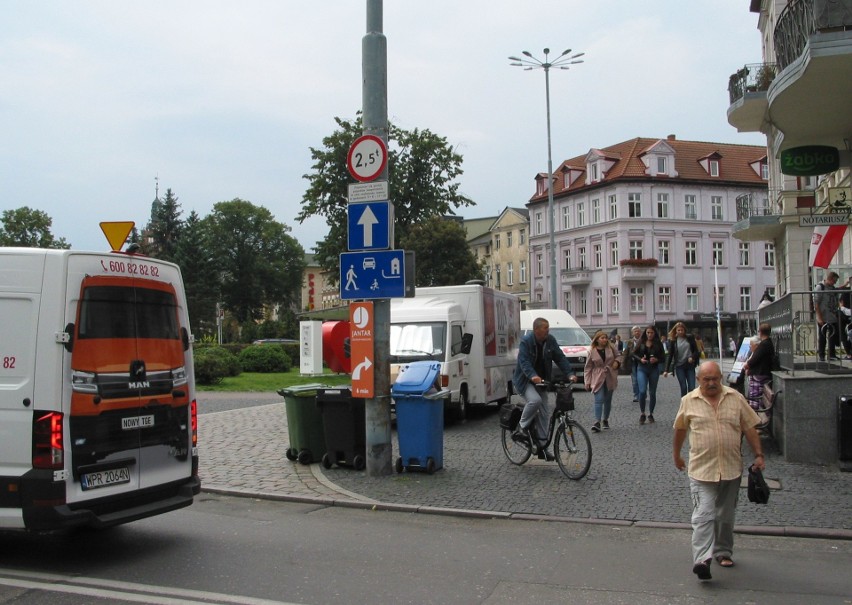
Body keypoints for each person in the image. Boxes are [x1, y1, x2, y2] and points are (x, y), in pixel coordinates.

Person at [672, 362, 766, 581]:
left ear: (721, 377)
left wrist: (759, 454)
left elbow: (749, 427)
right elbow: (680, 430)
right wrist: (676, 455)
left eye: (715, 378)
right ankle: (702, 559)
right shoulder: (688, 401)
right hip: (701, 469)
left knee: (725, 514)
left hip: (731, 468)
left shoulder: (735, 398)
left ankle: (723, 551)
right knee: (704, 514)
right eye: (707, 380)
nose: (712, 383)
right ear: (698, 380)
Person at [513, 317, 578, 460]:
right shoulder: (526, 342)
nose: (548, 331)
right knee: (534, 400)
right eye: (545, 328)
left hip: (543, 381)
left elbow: (560, 358)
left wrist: (569, 373)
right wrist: (533, 376)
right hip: (525, 381)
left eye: (548, 328)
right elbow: (523, 362)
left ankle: (542, 448)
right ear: (536, 330)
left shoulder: (550, 341)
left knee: (544, 414)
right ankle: (521, 427)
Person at [583, 331, 622, 433]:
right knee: (599, 399)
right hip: (597, 376)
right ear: (597, 339)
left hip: (609, 375)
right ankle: (597, 422)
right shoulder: (592, 351)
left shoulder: (611, 348)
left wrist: (616, 362)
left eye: (605, 338)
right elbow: (588, 367)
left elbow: (619, 356)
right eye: (602, 338)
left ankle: (605, 419)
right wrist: (587, 381)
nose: (604, 340)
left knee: (607, 399)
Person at [632, 325, 665, 424]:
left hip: (654, 369)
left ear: (654, 333)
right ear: (645, 333)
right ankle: (642, 413)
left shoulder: (658, 343)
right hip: (642, 368)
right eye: (648, 333)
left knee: (652, 392)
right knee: (642, 391)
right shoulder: (641, 342)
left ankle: (651, 413)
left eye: (651, 333)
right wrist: (640, 359)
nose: (649, 334)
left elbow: (663, 357)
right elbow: (633, 353)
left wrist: (657, 359)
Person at [813, 271, 846, 361]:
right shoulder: (820, 287)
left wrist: (845, 285)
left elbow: (837, 291)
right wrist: (819, 317)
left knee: (833, 335)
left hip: (832, 315)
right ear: (830, 279)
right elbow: (816, 303)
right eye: (834, 280)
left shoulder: (832, 287)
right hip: (823, 316)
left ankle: (832, 354)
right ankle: (822, 355)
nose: (835, 283)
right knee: (822, 336)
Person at [743, 322, 775, 408]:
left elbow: (753, 361)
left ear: (760, 332)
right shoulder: (768, 343)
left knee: (754, 401)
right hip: (762, 376)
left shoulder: (764, 345)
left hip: (759, 377)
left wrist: (747, 366)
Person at [664, 322, 700, 397]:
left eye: (682, 330)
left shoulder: (690, 338)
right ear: (676, 331)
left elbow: (696, 351)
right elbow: (670, 355)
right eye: (678, 330)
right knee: (683, 387)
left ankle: (691, 404)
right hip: (679, 366)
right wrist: (666, 370)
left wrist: (692, 357)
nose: (680, 332)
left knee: (691, 387)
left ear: (684, 330)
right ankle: (684, 404)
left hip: (689, 365)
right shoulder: (673, 341)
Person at [623, 325, 643, 402]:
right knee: (634, 380)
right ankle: (636, 395)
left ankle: (642, 394)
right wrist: (623, 364)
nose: (637, 332)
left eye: (638, 331)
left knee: (641, 379)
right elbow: (625, 353)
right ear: (632, 333)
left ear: (640, 332)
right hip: (632, 363)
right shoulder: (629, 342)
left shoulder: (643, 341)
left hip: (642, 363)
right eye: (635, 331)